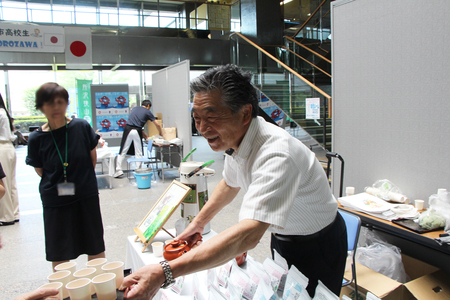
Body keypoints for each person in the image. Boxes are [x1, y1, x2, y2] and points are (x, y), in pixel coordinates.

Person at [120, 65, 347, 299]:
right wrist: (198, 224)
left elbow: (249, 235)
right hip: (282, 237)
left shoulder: (276, 153)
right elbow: (229, 184)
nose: (202, 128)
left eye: (211, 117)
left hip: (319, 244)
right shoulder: (238, 140)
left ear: (245, 113)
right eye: (197, 118)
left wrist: (164, 272)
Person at [26, 82, 106, 270]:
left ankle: (99, 286)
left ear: (66, 104)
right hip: (55, 199)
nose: (55, 107)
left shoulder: (81, 127)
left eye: (60, 102)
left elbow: (91, 159)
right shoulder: (36, 138)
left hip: (85, 194)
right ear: (41, 107)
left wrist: (80, 180)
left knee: (94, 241)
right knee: (58, 247)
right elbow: (41, 170)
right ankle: (64, 292)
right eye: (49, 103)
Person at [114, 99, 161, 178]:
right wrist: (161, 133)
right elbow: (157, 124)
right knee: (138, 152)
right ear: (148, 106)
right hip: (137, 131)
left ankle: (118, 170)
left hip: (128, 129)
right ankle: (138, 170)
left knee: (123, 150)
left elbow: (135, 123)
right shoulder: (147, 111)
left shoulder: (134, 108)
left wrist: (145, 136)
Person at [0, 93, 19, 226]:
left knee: (3, 184)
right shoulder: (3, 112)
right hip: (9, 148)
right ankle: (14, 212)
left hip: (1, 148)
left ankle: (7, 216)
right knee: (11, 183)